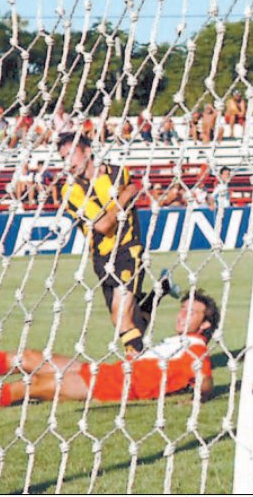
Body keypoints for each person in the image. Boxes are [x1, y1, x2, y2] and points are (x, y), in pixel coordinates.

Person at [0, 292, 218, 408]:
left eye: (191, 312)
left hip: (110, 387)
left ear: (204, 325)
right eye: (182, 309)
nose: (182, 316)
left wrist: (198, 397)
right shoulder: (177, 343)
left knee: (35, 385)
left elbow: (204, 380)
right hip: (103, 372)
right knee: (31, 358)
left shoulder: (197, 350)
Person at [57, 132, 176, 355]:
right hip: (102, 258)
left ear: (88, 151)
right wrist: (126, 195)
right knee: (128, 320)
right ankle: (160, 290)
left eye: (71, 155)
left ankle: (140, 371)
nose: (68, 163)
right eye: (63, 158)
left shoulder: (119, 173)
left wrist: (126, 193)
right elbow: (103, 225)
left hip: (128, 250)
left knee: (120, 316)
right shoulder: (70, 190)